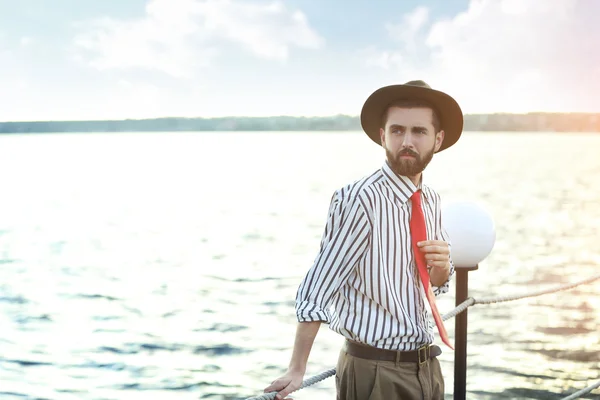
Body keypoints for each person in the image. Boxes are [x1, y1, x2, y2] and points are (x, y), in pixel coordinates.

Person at [263, 80, 464, 400]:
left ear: (437, 140)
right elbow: (318, 286)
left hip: (428, 368)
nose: (407, 141)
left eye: (419, 132)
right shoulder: (359, 199)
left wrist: (441, 267)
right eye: (397, 131)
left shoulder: (430, 200)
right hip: (376, 372)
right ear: (383, 136)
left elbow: (434, 285)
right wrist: (297, 368)